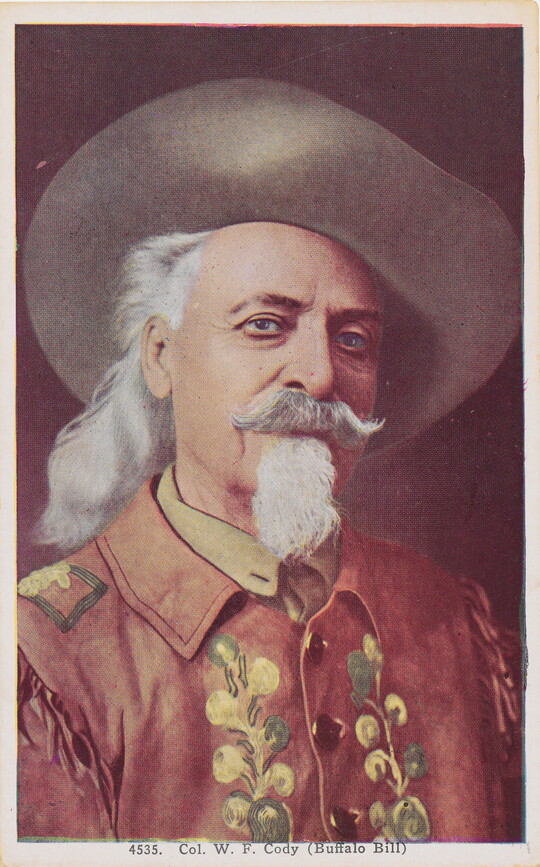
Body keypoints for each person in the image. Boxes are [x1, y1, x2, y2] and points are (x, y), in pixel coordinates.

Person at [17, 79, 521, 843]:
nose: (319, 376)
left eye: (353, 339)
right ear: (161, 356)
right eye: (264, 325)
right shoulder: (44, 655)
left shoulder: (456, 622)